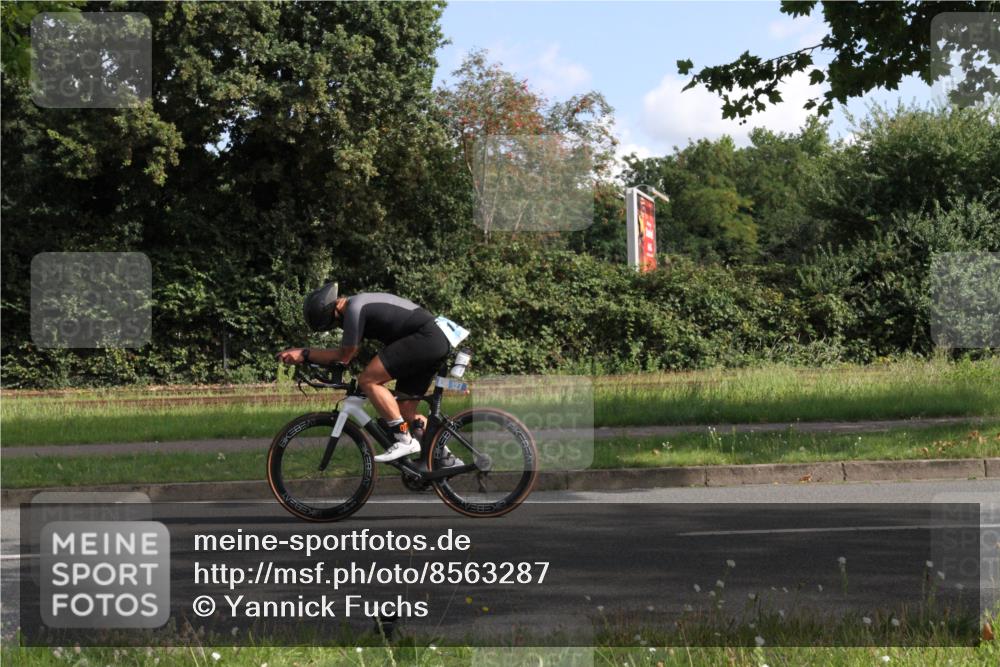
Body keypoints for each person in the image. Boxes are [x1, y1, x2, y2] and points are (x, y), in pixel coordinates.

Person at [277, 282, 463, 464]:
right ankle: (446, 460)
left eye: (333, 324)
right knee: (405, 411)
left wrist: (305, 353)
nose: (338, 327)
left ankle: (404, 440)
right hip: (434, 339)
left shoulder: (353, 308)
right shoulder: (358, 305)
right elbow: (349, 355)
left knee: (368, 380)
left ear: (331, 312)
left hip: (427, 337)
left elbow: (345, 355)